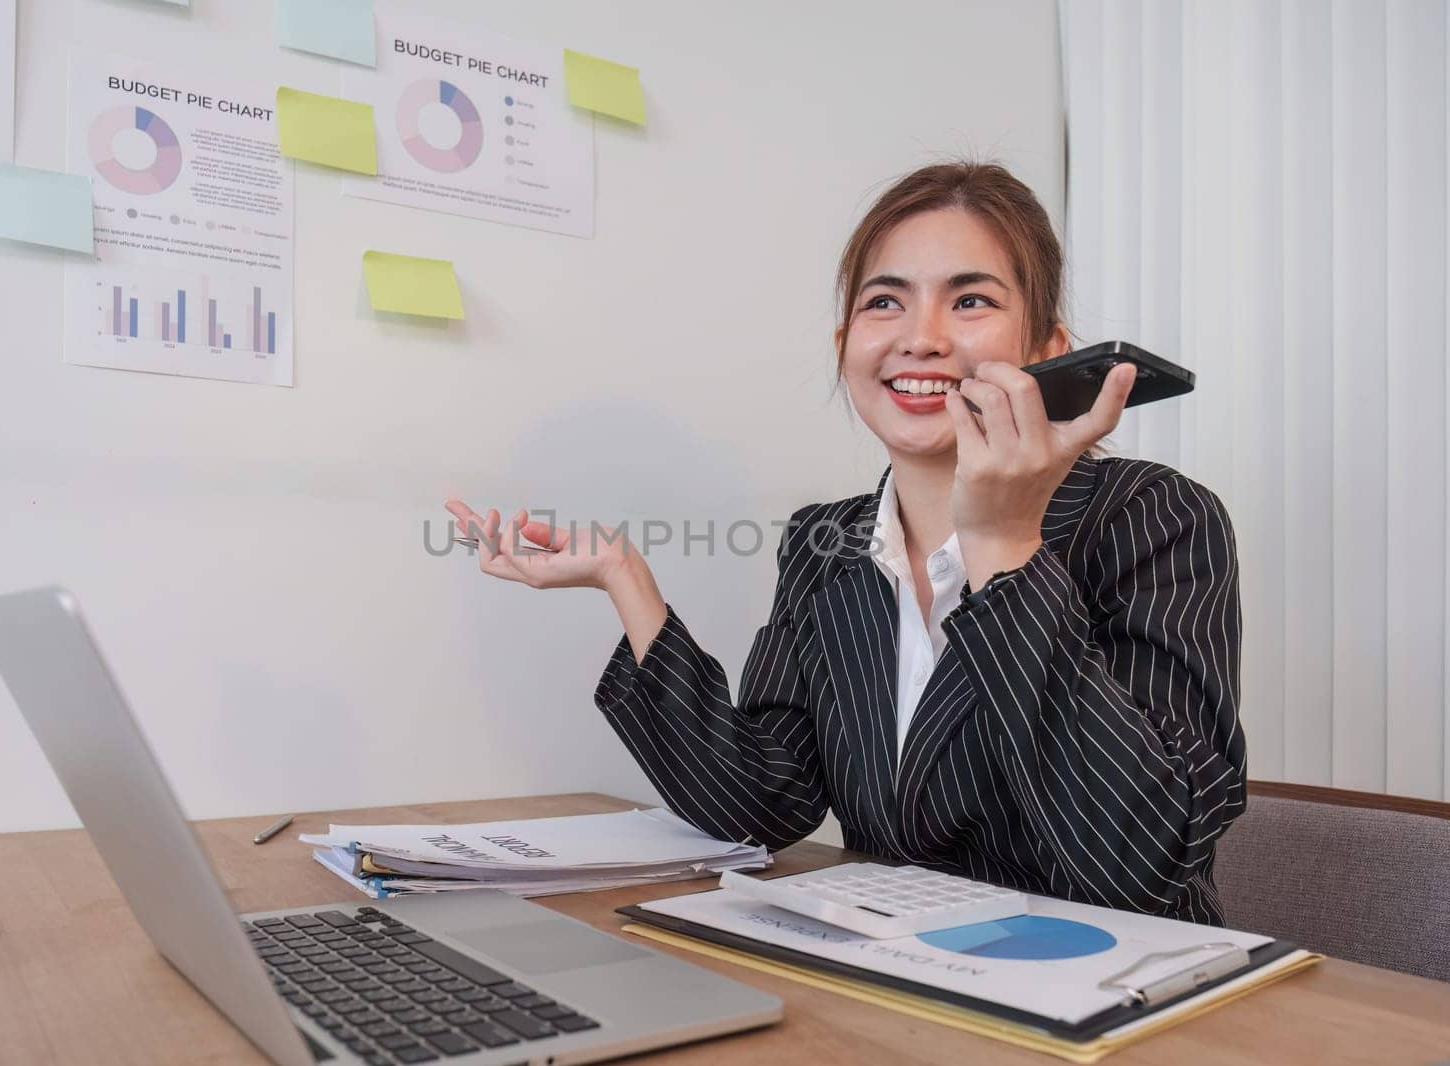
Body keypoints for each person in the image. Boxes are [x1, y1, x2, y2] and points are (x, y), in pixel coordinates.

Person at [446, 161, 1245, 925]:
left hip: (1108, 993)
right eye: (885, 303)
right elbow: (763, 800)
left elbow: (1139, 861)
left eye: (969, 301)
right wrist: (626, 580)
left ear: (1046, 348)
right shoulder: (826, 542)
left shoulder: (1153, 516)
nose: (921, 338)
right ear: (844, 346)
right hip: (898, 982)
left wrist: (1004, 544)